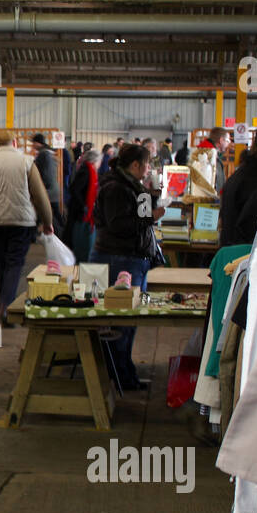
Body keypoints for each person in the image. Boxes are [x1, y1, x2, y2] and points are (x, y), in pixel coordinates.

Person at [92, 143, 165, 390]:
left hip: (133, 258)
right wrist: (152, 216)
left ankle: (124, 372)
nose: (149, 169)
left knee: (129, 320)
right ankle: (117, 375)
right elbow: (119, 225)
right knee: (120, 321)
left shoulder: (133, 186)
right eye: (147, 164)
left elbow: (143, 219)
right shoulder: (115, 188)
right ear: (135, 165)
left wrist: (150, 194)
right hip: (119, 259)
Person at [0, 131, 54, 328]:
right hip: (22, 221)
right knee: (15, 263)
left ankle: (3, 302)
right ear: (15, 142)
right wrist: (47, 220)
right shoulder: (26, 162)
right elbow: (40, 195)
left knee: (1, 261)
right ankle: (6, 305)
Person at [67, 148, 100, 261]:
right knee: (83, 244)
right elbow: (75, 189)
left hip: (84, 212)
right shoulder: (86, 171)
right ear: (95, 161)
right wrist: (83, 206)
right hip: (81, 213)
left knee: (85, 243)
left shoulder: (87, 169)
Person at [30, 133, 66, 236]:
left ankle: (60, 234)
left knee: (44, 213)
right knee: (52, 213)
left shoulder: (44, 154)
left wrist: (42, 187)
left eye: (33, 143)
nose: (32, 145)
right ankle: (62, 233)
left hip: (48, 190)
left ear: (38, 143)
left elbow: (46, 174)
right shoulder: (48, 153)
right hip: (52, 189)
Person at [198, 126, 231, 194]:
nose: (228, 144)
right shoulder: (209, 158)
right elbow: (217, 184)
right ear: (221, 140)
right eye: (227, 141)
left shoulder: (200, 153)